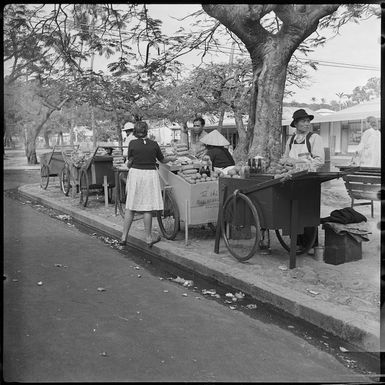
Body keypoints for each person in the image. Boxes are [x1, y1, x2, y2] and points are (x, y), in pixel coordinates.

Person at [119, 121, 176, 247]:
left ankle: (123, 237)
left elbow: (130, 161)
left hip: (136, 174)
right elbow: (162, 160)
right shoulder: (154, 144)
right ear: (147, 131)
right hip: (150, 174)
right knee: (147, 207)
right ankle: (149, 238)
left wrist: (127, 165)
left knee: (131, 206)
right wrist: (172, 158)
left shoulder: (132, 143)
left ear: (135, 132)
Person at [281, 109, 325, 254]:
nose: (307, 124)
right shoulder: (291, 139)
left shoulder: (314, 138)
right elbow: (285, 157)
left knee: (308, 211)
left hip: (308, 180)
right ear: (296, 124)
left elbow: (319, 160)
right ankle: (298, 243)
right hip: (293, 179)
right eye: (303, 121)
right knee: (295, 210)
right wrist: (290, 164)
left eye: (308, 121)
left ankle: (312, 244)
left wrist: (305, 167)